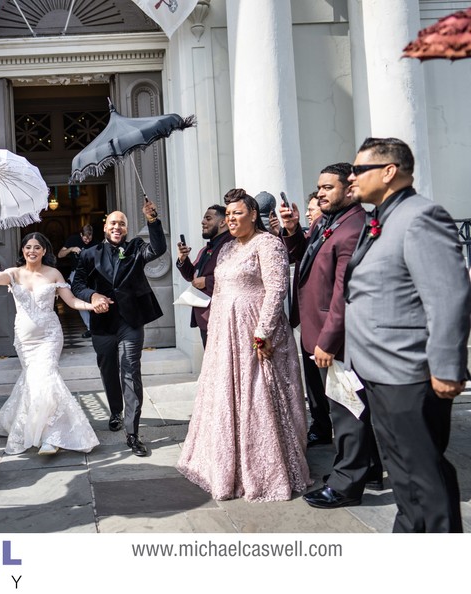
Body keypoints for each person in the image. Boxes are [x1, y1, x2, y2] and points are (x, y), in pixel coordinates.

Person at [344, 137, 471, 532]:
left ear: (388, 171)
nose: (352, 176)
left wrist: (449, 367)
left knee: (423, 475)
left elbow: (449, 296)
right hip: (378, 368)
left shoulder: (420, 216)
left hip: (409, 372)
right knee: (403, 473)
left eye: (359, 169)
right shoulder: (382, 215)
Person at [176, 190, 310, 502]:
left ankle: (263, 469)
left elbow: (277, 290)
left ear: (252, 214)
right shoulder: (226, 250)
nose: (233, 219)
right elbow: (219, 290)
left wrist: (263, 332)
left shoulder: (269, 244)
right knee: (224, 396)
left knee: (258, 395)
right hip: (226, 331)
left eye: (238, 213)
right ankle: (225, 464)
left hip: (256, 330)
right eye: (230, 214)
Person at [280, 163, 382, 509]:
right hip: (320, 332)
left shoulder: (353, 228)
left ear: (349, 190)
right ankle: (367, 468)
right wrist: (293, 229)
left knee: (346, 410)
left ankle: (346, 485)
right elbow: (303, 258)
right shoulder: (327, 221)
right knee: (350, 407)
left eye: (328, 188)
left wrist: (329, 340)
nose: (320, 193)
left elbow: (344, 292)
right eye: (318, 187)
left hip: (339, 339)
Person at [0, 231, 101, 455]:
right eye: (28, 247)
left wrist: (91, 306)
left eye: (37, 247)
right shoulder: (13, 274)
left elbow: (71, 301)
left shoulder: (53, 274)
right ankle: (31, 424)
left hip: (50, 336)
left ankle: (50, 437)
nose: (32, 251)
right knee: (32, 381)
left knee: (47, 379)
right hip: (25, 340)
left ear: (44, 251)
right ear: (22, 251)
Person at [71, 200, 166, 457]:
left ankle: (132, 432)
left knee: (130, 370)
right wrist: (93, 297)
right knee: (109, 369)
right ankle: (115, 410)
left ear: (126, 229)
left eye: (122, 223)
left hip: (131, 321)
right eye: (113, 223)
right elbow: (77, 284)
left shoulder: (135, 248)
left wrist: (153, 221)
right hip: (102, 324)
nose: (117, 227)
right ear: (105, 227)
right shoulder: (88, 254)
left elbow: (158, 248)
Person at [175, 203, 234, 349]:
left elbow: (235, 277)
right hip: (205, 318)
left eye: (208, 218)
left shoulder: (231, 244)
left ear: (222, 222)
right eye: (203, 218)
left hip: (222, 316)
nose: (203, 222)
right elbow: (192, 276)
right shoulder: (206, 249)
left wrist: (207, 281)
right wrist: (183, 259)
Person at [58, 225, 94, 338]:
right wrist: (71, 249)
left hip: (92, 274)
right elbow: (60, 255)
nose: (87, 241)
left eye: (90, 238)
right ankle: (90, 328)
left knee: (95, 297)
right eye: (85, 238)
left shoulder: (96, 242)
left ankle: (99, 327)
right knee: (77, 299)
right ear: (81, 235)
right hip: (76, 273)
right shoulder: (73, 240)